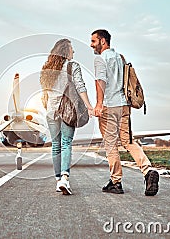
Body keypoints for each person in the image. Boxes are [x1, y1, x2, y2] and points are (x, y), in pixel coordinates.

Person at [90, 29, 159, 196]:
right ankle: (148, 170)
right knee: (128, 141)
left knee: (111, 145)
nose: (91, 45)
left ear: (103, 42)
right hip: (124, 106)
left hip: (109, 107)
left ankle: (116, 182)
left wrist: (99, 104)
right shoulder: (121, 58)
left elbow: (101, 81)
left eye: (94, 41)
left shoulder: (100, 59)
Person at [40, 38, 93, 195]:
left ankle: (58, 181)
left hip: (51, 111)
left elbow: (44, 94)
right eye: (71, 49)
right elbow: (80, 86)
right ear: (65, 51)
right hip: (67, 110)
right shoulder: (73, 66)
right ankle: (64, 178)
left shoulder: (46, 69)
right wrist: (89, 106)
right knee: (66, 143)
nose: (73, 52)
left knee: (56, 145)